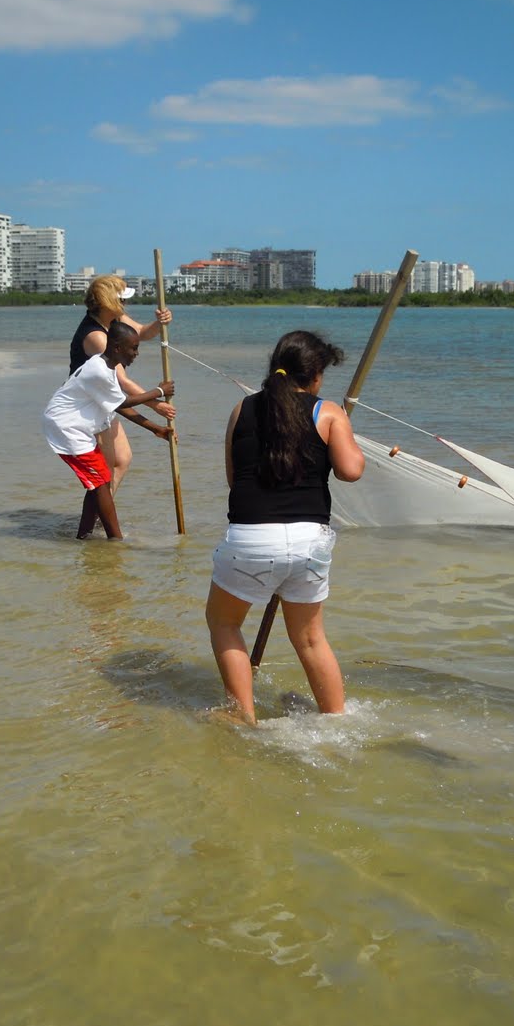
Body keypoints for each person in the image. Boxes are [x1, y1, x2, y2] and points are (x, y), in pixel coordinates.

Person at [205, 331, 365, 725]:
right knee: (310, 639)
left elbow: (233, 479)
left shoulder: (241, 409)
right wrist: (342, 428)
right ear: (315, 375)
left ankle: (242, 716)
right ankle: (336, 721)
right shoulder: (328, 412)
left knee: (224, 622)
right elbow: (351, 471)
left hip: (250, 538)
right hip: (310, 541)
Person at [43, 321, 174, 540]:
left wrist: (155, 429)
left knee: (97, 481)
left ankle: (83, 535)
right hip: (66, 428)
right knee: (101, 480)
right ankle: (116, 540)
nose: (136, 354)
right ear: (116, 348)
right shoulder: (99, 370)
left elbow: (116, 406)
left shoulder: (106, 367)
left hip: (74, 429)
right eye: (133, 348)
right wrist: (158, 391)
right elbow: (122, 403)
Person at [68, 274, 174, 494]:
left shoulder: (115, 319)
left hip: (107, 400)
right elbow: (122, 381)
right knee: (103, 469)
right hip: (86, 407)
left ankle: (102, 515)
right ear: (108, 302)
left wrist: (159, 322)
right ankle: (97, 518)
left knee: (122, 459)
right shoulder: (96, 336)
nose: (126, 304)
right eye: (122, 300)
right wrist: (156, 403)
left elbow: (142, 333)